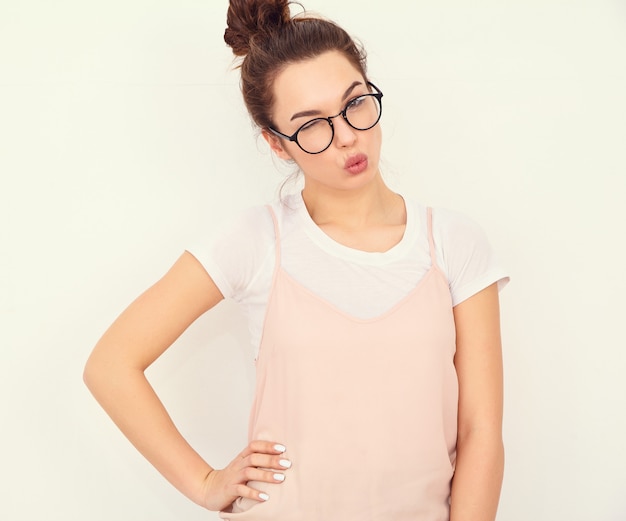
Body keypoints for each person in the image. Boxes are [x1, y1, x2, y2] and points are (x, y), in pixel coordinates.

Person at [83, 1, 509, 520]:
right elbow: (110, 365)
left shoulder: (454, 244)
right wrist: (204, 482)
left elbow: (480, 434)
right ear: (276, 145)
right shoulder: (256, 241)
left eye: (355, 104)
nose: (347, 136)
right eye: (311, 126)